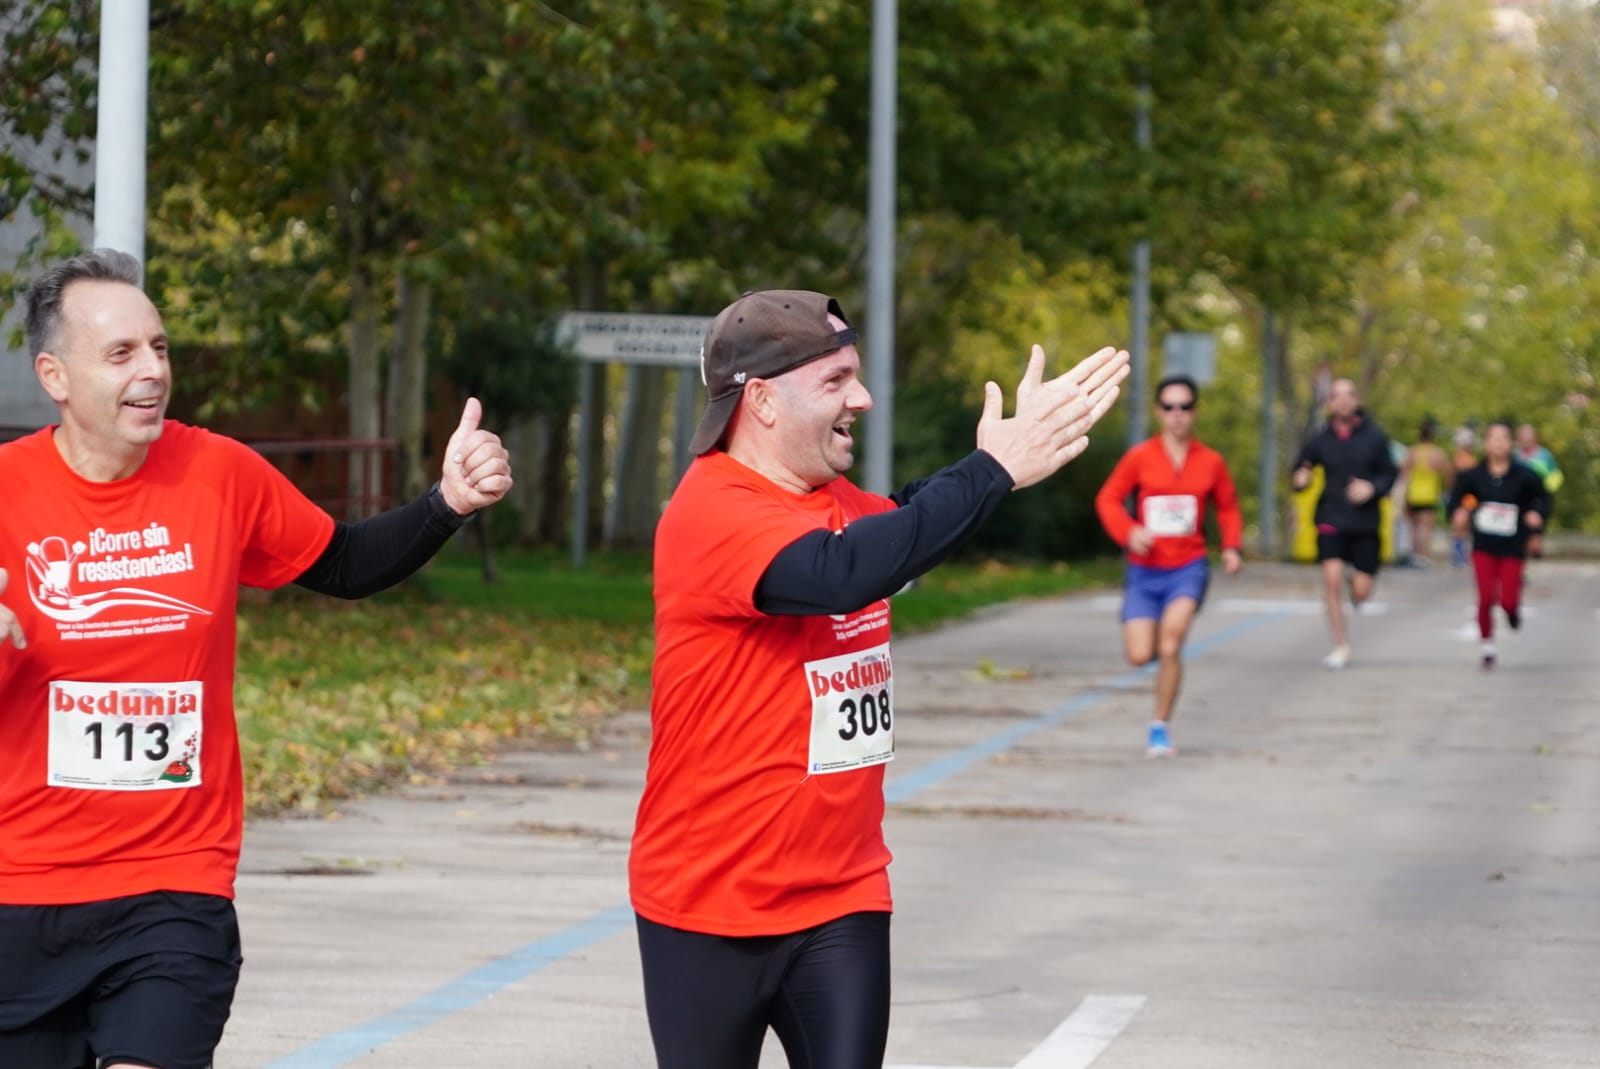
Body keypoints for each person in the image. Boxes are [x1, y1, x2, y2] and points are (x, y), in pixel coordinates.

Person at [0, 250, 512, 1069]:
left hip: (173, 882)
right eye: (122, 353)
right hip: (21, 892)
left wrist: (446, 502)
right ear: (55, 376)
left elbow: (341, 563)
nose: (153, 371)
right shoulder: (5, 491)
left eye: (160, 347)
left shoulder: (216, 471)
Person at [629, 289, 1128, 1069]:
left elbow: (900, 522)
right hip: (708, 901)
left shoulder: (836, 503)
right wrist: (992, 470)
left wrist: (1001, 466)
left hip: (842, 892)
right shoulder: (710, 511)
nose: (861, 398)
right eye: (836, 381)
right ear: (760, 400)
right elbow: (844, 573)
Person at [1094, 373, 1242, 757]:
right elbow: (1108, 499)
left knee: (1171, 644)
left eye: (1185, 407)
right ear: (1159, 412)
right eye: (1170, 407)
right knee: (1141, 655)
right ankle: (1162, 659)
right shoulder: (1140, 457)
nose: (1178, 414)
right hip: (1144, 570)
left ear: (1195, 412)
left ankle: (1159, 727)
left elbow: (1227, 507)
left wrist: (1231, 547)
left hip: (1187, 568)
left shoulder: (1211, 462)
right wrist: (1129, 532)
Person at [1291, 377, 1398, 670]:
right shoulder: (1319, 437)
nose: (1342, 400)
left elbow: (1390, 475)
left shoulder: (1374, 437)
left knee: (1361, 592)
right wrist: (1301, 478)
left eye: (1348, 395)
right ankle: (1341, 644)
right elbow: (1302, 466)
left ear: (1357, 401)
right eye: (1336, 396)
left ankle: (1357, 584)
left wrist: (1371, 488)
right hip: (1331, 518)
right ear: (1329, 403)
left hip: (1365, 523)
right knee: (1331, 578)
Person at [1451, 421, 1549, 668]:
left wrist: (1537, 517)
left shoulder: (1525, 475)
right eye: (1493, 438)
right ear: (1486, 443)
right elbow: (1457, 499)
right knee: (1485, 597)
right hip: (1483, 544)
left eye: (1503, 438)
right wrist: (1461, 511)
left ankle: (1512, 612)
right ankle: (1487, 647)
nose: (1498, 443)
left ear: (1511, 443)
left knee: (1507, 599)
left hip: (1513, 545)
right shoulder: (1474, 475)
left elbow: (1543, 498)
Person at [1399, 418, 1451, 565]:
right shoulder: (1437, 453)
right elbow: (1447, 473)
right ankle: (1424, 554)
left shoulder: (1413, 452)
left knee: (1414, 526)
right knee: (1426, 527)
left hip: (1413, 493)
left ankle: (1415, 554)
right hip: (1430, 494)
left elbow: (1404, 473)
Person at [1514, 423, 1563, 559]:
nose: (1526, 439)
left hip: (1539, 499)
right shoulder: (1515, 456)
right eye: (1523, 436)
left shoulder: (1544, 455)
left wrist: (1547, 488)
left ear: (1535, 437)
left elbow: (1556, 475)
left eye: (1528, 436)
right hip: (1520, 499)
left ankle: (1535, 550)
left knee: (1535, 534)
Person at [1447, 425, 1479, 567]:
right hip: (1462, 496)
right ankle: (1458, 553)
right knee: (1460, 524)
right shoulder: (1462, 458)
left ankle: (1460, 552)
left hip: (1469, 496)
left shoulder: (1467, 458)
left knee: (1464, 525)